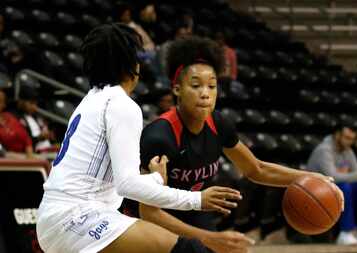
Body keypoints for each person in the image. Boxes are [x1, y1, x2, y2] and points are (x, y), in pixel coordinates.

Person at [36, 23, 249, 253]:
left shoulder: (90, 101)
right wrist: (197, 200)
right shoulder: (121, 104)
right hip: (78, 218)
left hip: (59, 218)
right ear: (132, 66)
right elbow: (127, 185)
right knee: (188, 251)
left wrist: (155, 179)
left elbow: (119, 180)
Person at [138, 36, 341, 253]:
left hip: (195, 211)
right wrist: (210, 239)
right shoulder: (159, 136)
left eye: (212, 86)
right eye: (196, 85)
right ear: (177, 89)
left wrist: (310, 178)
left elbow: (256, 169)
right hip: (152, 218)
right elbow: (149, 213)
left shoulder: (218, 123)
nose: (205, 93)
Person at [307, 125, 357, 245]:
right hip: (314, 190)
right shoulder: (324, 150)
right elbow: (332, 177)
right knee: (344, 187)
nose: (349, 141)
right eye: (346, 138)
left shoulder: (348, 150)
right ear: (337, 135)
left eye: (352, 139)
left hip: (334, 188)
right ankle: (346, 232)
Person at [0, 89, 33, 158]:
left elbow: (26, 138)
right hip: (6, 159)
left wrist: (29, 156)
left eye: (1, 101)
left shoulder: (9, 116)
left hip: (24, 155)